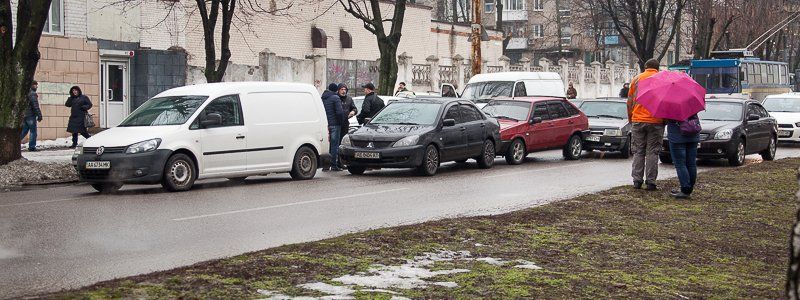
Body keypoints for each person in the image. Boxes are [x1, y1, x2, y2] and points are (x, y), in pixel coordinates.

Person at [627, 58, 665, 191]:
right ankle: (651, 182)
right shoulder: (662, 80)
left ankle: (637, 181)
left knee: (638, 151)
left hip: (638, 119)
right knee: (652, 152)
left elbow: (630, 101)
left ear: (645, 67)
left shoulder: (636, 79)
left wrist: (631, 118)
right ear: (657, 68)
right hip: (656, 121)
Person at [666, 114, 700, 199]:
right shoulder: (691, 102)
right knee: (691, 163)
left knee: (680, 164)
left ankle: (685, 189)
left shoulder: (670, 105)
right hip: (693, 135)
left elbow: (665, 119)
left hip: (677, 137)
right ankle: (689, 188)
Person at [321, 83, 345, 171]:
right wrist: (341, 122)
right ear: (336, 90)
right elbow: (339, 112)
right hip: (335, 124)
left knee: (327, 145)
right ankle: (334, 165)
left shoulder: (323, 98)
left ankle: (325, 166)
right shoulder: (335, 98)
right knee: (334, 145)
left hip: (325, 125)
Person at [20, 80, 42, 151]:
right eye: (35, 85)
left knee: (24, 131)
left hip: (25, 115)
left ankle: (14, 142)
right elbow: (35, 105)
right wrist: (39, 115)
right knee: (33, 131)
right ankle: (32, 147)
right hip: (31, 115)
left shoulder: (25, 93)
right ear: (32, 85)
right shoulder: (32, 94)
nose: (36, 86)